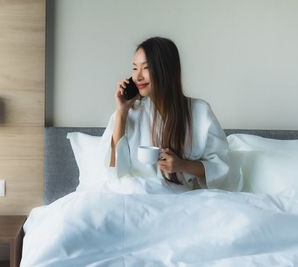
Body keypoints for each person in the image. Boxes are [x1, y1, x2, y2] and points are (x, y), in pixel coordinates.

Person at [102, 36, 240, 190]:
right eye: (135, 68)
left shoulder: (200, 112)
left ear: (166, 69)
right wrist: (121, 113)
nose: (138, 76)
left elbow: (222, 169)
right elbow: (114, 172)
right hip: (137, 196)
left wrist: (182, 165)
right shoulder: (129, 113)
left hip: (178, 198)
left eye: (146, 68)